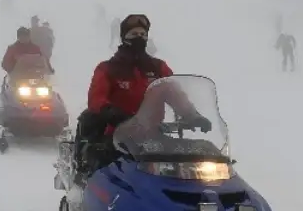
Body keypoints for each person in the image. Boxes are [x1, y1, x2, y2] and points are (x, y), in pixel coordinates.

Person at [75, 14, 208, 175]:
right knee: (106, 173)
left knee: (195, 160)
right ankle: (89, 195)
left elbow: (174, 93)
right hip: (118, 137)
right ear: (124, 38)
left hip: (152, 135)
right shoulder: (108, 68)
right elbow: (96, 98)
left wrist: (192, 115)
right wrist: (111, 112)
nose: (139, 38)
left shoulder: (158, 68)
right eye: (134, 34)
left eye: (143, 35)